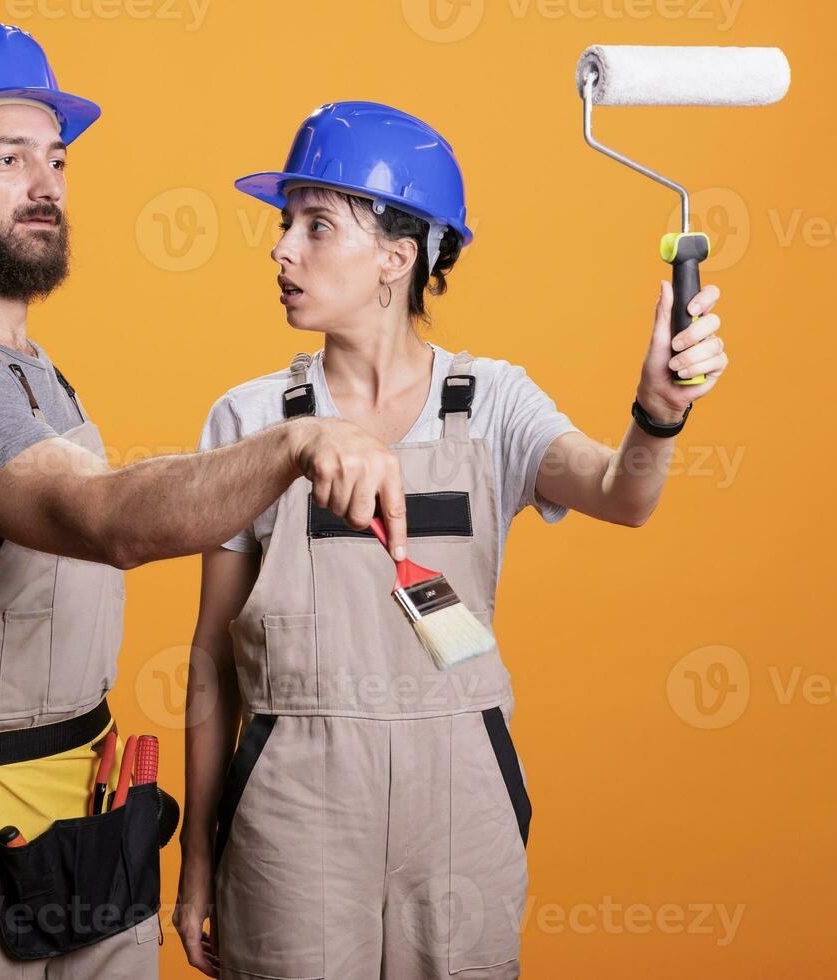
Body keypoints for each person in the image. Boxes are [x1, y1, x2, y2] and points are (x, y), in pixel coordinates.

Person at [0, 32, 412, 980]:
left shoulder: (36, 376)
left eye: (54, 159)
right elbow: (99, 518)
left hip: (85, 809)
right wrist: (300, 441)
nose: (45, 183)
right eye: (7, 158)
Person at [173, 101, 727, 979]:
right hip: (292, 808)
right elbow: (211, 656)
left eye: (318, 226)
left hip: (459, 800)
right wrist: (197, 856)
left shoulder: (495, 403)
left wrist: (657, 414)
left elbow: (622, 496)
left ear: (399, 257)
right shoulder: (247, 422)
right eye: (285, 226)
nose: (282, 250)